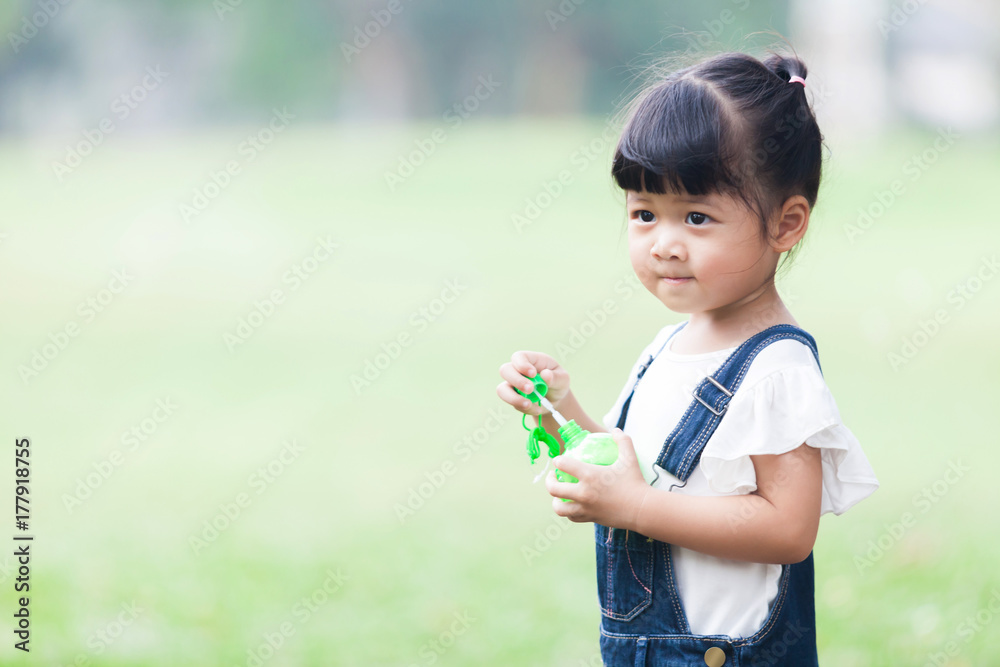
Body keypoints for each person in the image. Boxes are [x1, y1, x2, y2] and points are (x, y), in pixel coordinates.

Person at [496, 50, 879, 666]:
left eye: (696, 217)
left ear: (785, 224)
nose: (665, 245)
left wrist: (635, 510)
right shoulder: (665, 348)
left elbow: (789, 529)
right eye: (645, 214)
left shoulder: (775, 370)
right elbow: (637, 473)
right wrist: (556, 409)